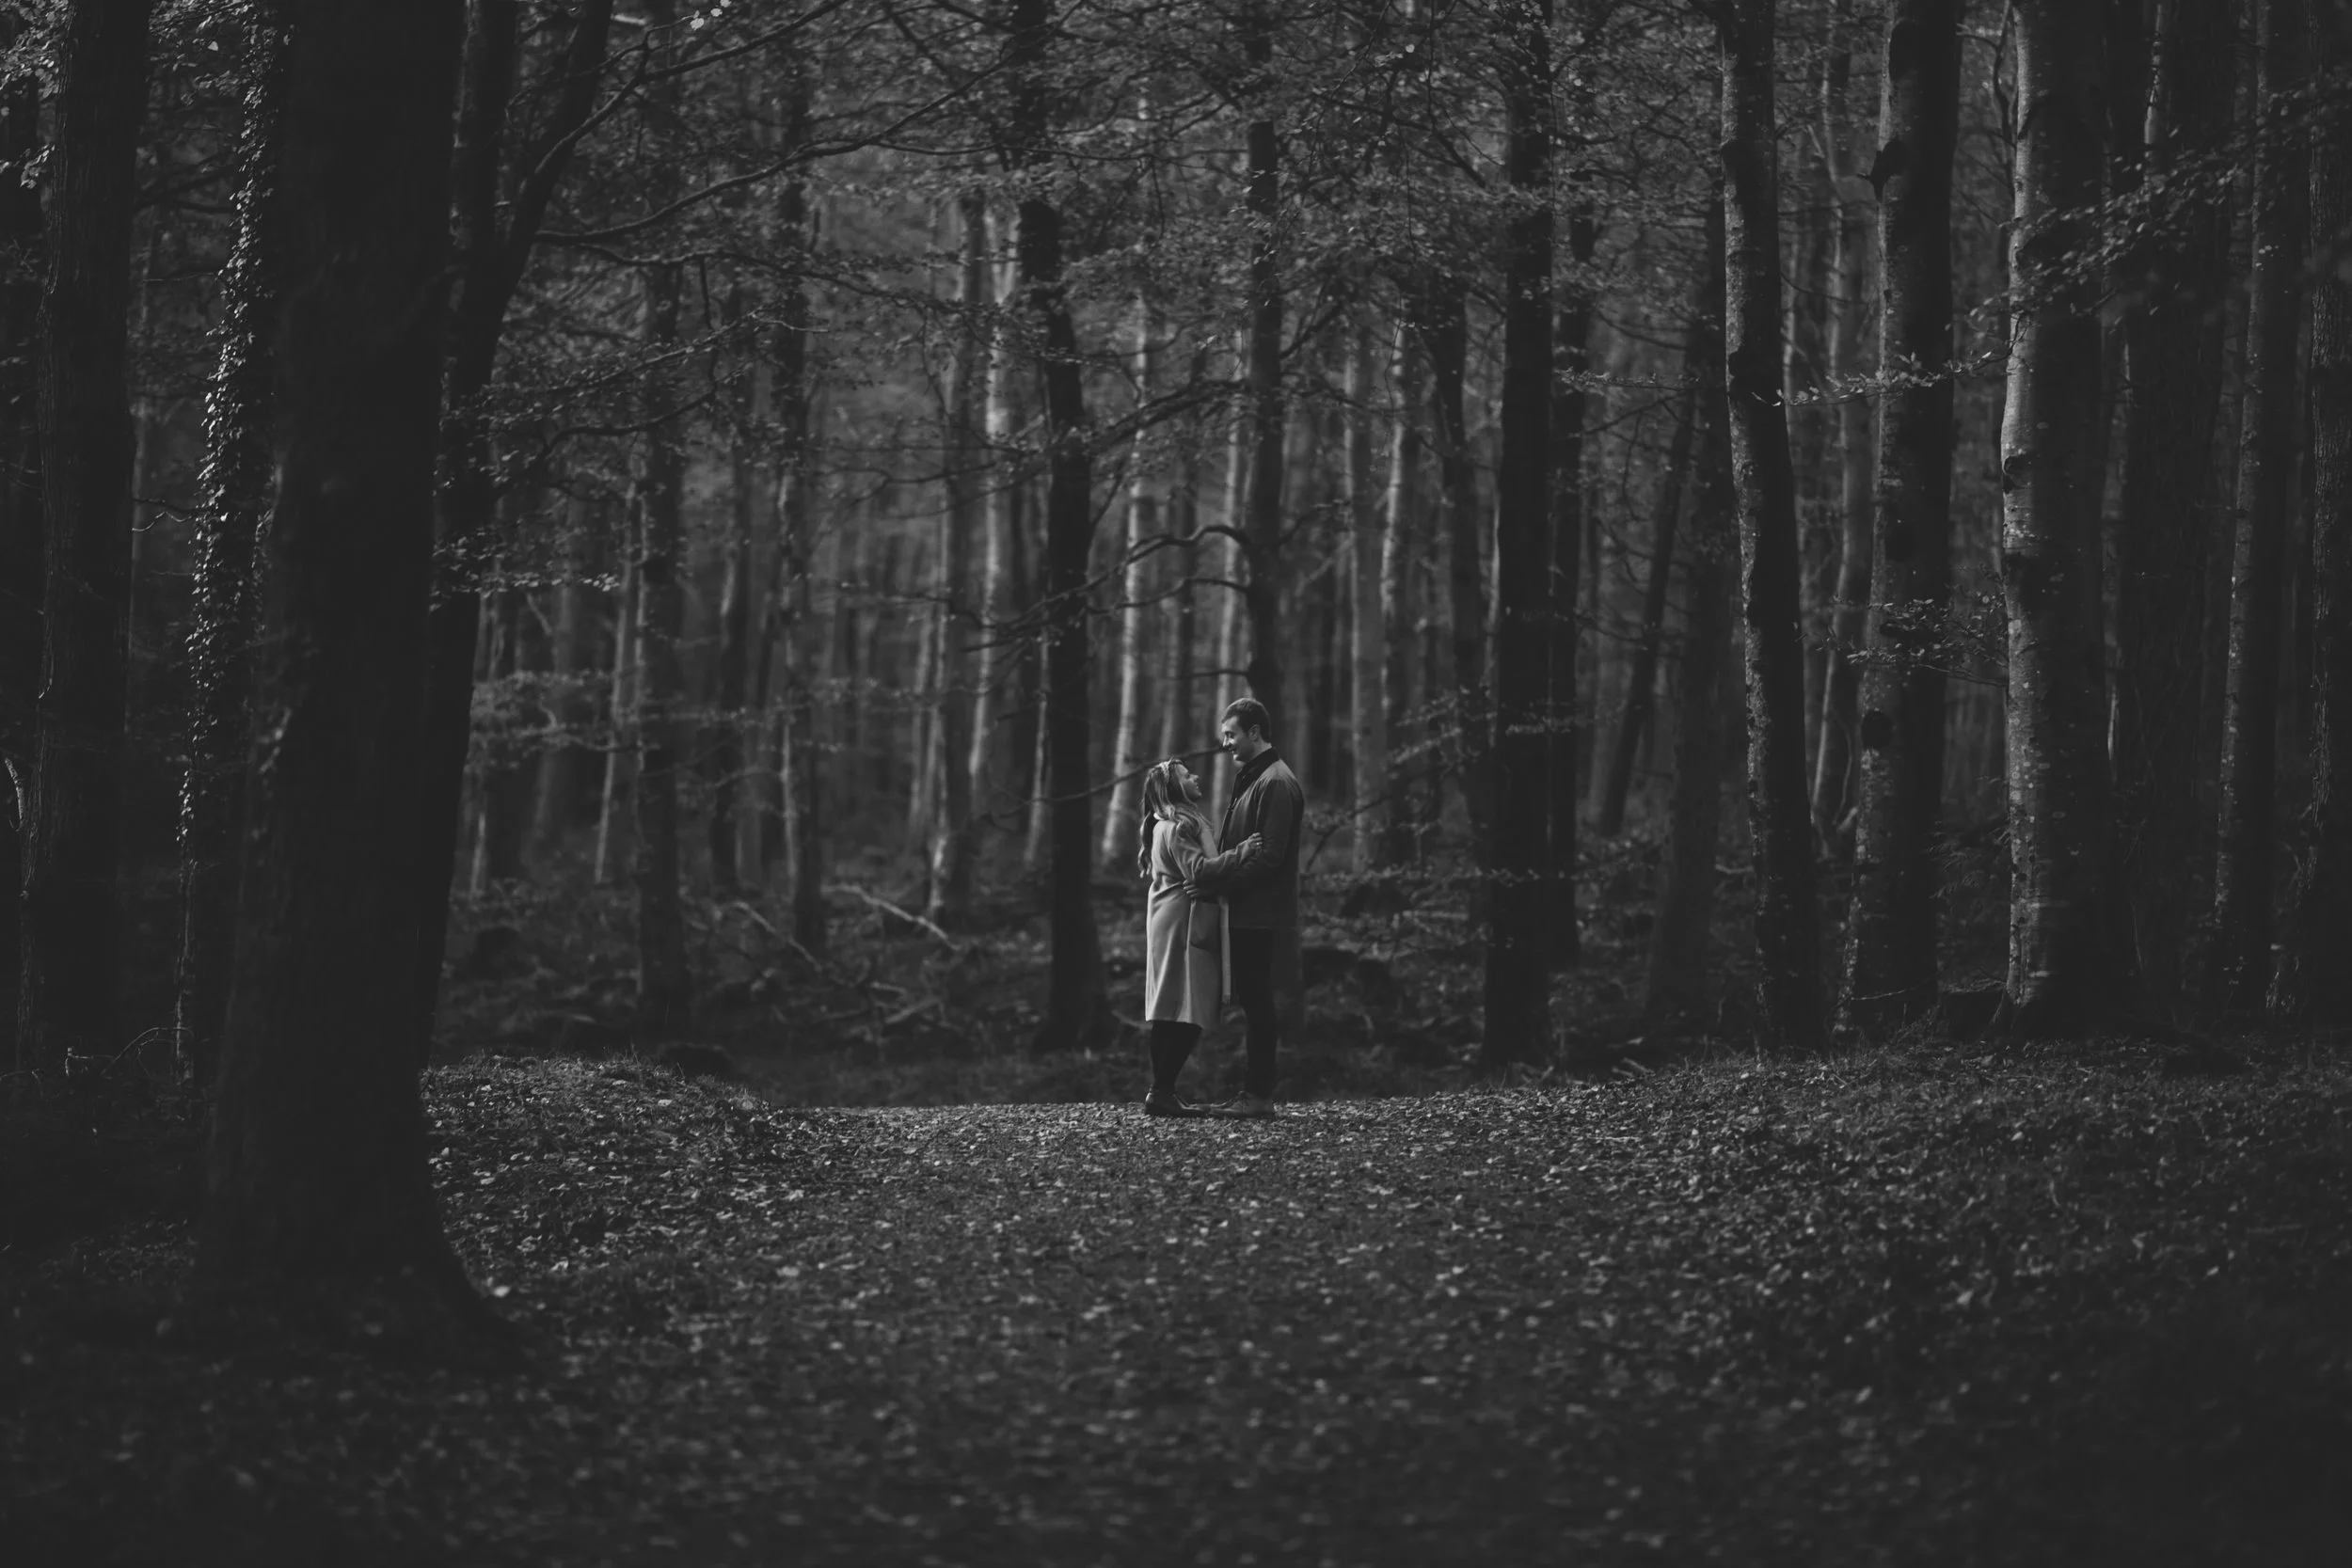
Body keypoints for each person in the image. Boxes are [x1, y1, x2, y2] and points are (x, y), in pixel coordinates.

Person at [1187, 697, 1304, 1119]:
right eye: (1224, 735)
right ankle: (1253, 1093)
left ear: (1255, 732)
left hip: (1260, 911)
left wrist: (1220, 879)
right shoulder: (1254, 777)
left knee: (1257, 1001)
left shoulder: (1275, 782)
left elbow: (1271, 855)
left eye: (1232, 734)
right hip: (1246, 908)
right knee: (1254, 1000)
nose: (1225, 743)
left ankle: (1257, 1096)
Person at [1136, 757, 1256, 1117]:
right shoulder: (1179, 827)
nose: (1196, 777)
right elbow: (1200, 871)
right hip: (1182, 920)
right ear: (1175, 787)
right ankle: (1162, 1091)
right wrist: (1244, 851)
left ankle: (1161, 1092)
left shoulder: (1164, 824)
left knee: (1168, 1004)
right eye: (1187, 775)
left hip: (1167, 917)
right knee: (1189, 1006)